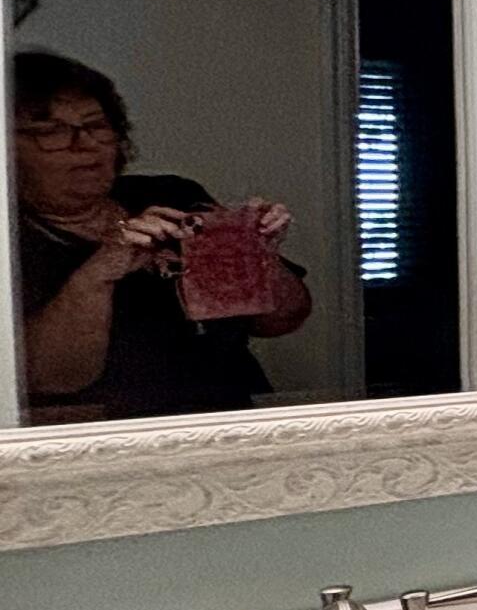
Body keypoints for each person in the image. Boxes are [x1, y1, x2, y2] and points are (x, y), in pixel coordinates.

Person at [10, 51, 311, 422]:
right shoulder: (12, 237)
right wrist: (98, 273)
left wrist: (257, 256)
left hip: (234, 424)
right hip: (107, 444)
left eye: (97, 125)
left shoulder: (173, 195)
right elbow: (50, 379)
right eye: (51, 131)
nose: (83, 143)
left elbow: (280, 322)